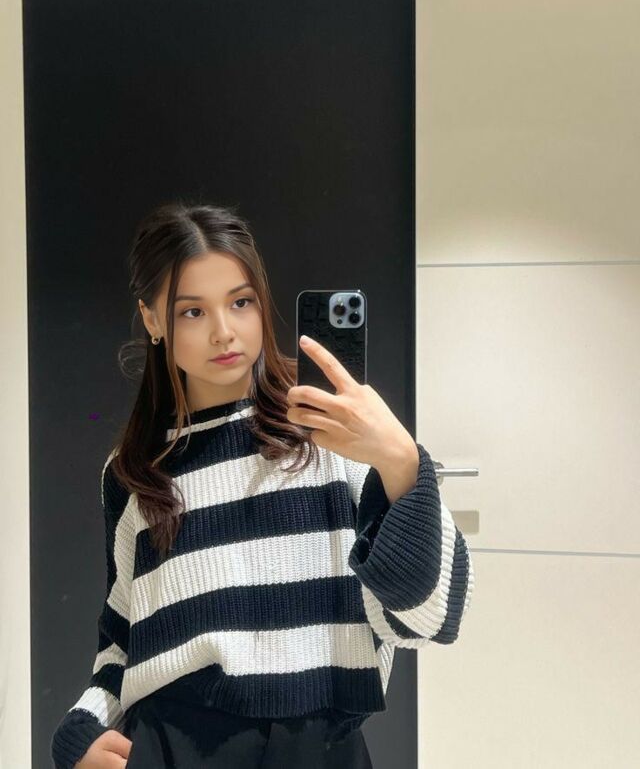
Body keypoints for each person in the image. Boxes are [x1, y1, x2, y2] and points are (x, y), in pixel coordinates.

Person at [50, 201, 475, 768]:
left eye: (240, 302)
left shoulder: (333, 435)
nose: (224, 332)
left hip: (321, 750)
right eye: (192, 311)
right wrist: (78, 733)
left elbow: (432, 619)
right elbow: (122, 635)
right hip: (173, 746)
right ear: (152, 320)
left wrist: (401, 461)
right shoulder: (132, 471)